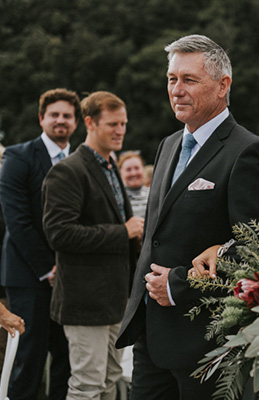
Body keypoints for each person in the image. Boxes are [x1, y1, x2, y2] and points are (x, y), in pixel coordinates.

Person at [116, 34, 259, 400]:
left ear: (223, 85)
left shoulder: (248, 152)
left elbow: (256, 252)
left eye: (189, 79)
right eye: (172, 79)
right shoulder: (168, 144)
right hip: (151, 335)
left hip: (207, 342)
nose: (177, 90)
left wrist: (178, 285)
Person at [42, 91, 143, 400]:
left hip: (117, 299)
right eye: (113, 124)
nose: (120, 130)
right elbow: (60, 234)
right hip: (85, 301)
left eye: (123, 123)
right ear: (90, 123)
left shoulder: (110, 167)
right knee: (87, 386)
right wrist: (122, 232)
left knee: (111, 379)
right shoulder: (68, 171)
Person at [0, 88, 78, 400]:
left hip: (71, 278)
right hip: (28, 276)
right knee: (28, 360)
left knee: (66, 360)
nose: (61, 120)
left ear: (76, 122)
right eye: (54, 114)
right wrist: (48, 268)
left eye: (67, 116)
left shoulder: (81, 160)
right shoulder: (18, 156)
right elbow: (17, 222)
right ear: (41, 118)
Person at [118, 151, 149, 218]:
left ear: (143, 169)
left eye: (137, 168)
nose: (133, 173)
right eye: (128, 170)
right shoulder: (117, 198)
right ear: (121, 173)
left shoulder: (153, 194)